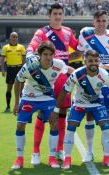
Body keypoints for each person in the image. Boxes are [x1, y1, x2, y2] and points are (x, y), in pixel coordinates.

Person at [53, 50, 109, 169]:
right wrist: (56, 110)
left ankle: (106, 157)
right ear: (85, 61)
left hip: (96, 103)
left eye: (96, 61)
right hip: (79, 103)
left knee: (105, 126)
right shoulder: (77, 74)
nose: (93, 63)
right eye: (90, 61)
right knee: (71, 127)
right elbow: (64, 91)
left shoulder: (104, 74)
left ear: (99, 61)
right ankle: (67, 158)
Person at [26, 3, 79, 163]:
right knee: (43, 115)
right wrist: (29, 56)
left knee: (62, 115)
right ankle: (36, 152)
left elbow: (78, 47)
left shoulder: (68, 32)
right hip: (47, 81)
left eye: (60, 14)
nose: (57, 16)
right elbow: (32, 46)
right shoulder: (42, 32)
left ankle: (59, 150)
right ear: (49, 16)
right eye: (55, 14)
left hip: (63, 81)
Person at [11, 41, 74, 169]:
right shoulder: (30, 67)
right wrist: (17, 103)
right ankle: (19, 159)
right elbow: (18, 81)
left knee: (54, 123)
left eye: (51, 54)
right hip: (29, 97)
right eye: (45, 54)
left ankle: (52, 158)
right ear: (39, 55)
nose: (48, 57)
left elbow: (71, 72)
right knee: (20, 125)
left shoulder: (59, 64)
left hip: (47, 98)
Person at [77, 10, 109, 161]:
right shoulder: (85, 34)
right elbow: (79, 53)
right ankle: (89, 152)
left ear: (107, 21)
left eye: (104, 20)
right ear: (93, 21)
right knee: (89, 115)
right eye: (98, 20)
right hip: (89, 81)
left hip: (108, 80)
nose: (101, 23)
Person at [0, 32, 25, 112]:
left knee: (22, 89)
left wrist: (24, 69)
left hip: (19, 69)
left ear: (17, 38)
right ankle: (8, 107)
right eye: (13, 37)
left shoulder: (21, 47)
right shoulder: (5, 48)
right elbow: (2, 59)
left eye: (16, 37)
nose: (14, 38)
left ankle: (21, 106)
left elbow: (24, 59)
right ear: (10, 38)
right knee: (9, 88)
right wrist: (3, 70)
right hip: (10, 69)